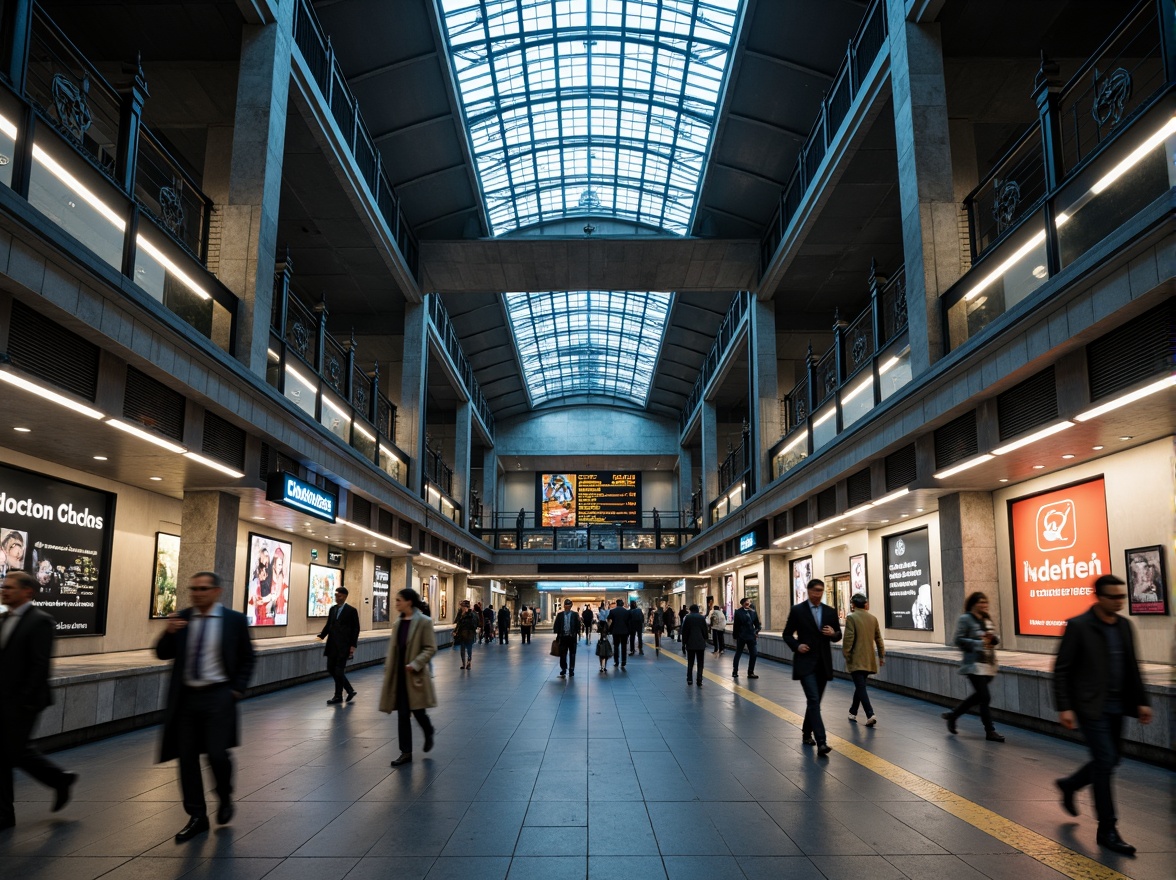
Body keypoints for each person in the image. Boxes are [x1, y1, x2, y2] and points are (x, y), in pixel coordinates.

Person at [1054, 574, 1152, 856]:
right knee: (1106, 761)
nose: (1120, 601)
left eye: (1122, 596)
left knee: (1110, 759)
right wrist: (1065, 707)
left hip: (1118, 705)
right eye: (1114, 597)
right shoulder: (1079, 626)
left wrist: (1142, 702)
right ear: (1098, 596)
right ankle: (1107, 828)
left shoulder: (1124, 626)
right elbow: (1062, 670)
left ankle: (1070, 784)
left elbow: (1132, 666)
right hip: (1090, 706)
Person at [155, 571, 255, 842]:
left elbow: (248, 657)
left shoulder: (234, 621)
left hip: (219, 695)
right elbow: (162, 652)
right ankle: (197, 815)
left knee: (216, 754)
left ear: (216, 592)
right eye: (194, 588)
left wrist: (236, 689)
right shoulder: (183, 619)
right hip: (187, 699)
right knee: (186, 758)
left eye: (203, 589)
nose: (197, 593)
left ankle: (224, 796)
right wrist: (168, 632)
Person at [0, 571, 77, 831]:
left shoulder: (40, 621)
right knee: (13, 752)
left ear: (27, 592)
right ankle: (59, 779)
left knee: (9, 752)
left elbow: (39, 665)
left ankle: (6, 814)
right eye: (3, 586)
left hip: (25, 702)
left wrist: (23, 701)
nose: (4, 590)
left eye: (10, 587)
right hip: (3, 699)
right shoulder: (3, 619)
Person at [782, 578, 842, 757]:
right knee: (814, 700)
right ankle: (822, 742)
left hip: (823, 663)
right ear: (808, 591)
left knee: (814, 702)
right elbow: (787, 634)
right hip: (805, 662)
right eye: (815, 590)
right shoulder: (797, 610)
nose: (818, 594)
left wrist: (834, 634)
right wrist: (797, 646)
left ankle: (806, 732)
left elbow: (837, 634)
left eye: (821, 591)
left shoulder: (830, 612)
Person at [380, 588, 437, 767]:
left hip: (415, 675)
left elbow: (430, 647)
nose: (396, 603)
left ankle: (428, 731)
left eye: (399, 600)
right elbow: (394, 649)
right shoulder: (398, 623)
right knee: (403, 714)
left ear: (409, 602)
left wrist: (416, 664)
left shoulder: (424, 622)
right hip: (399, 675)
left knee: (418, 711)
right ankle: (405, 752)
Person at [941, 592, 1005, 742]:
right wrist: (977, 643)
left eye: (986, 602)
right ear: (973, 603)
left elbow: (994, 637)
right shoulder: (966, 619)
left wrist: (994, 639)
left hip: (988, 664)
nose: (984, 605)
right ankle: (990, 731)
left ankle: (953, 715)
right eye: (981, 602)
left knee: (978, 697)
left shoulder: (986, 619)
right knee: (985, 697)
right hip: (974, 665)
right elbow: (958, 639)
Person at [842, 593, 884, 724]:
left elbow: (849, 638)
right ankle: (852, 712)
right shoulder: (873, 618)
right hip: (869, 659)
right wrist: (881, 655)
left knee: (861, 687)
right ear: (865, 604)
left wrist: (846, 653)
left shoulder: (851, 618)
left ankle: (870, 714)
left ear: (853, 605)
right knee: (860, 686)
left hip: (856, 659)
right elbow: (878, 639)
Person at [317, 586, 359, 704]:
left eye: (339, 596)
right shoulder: (333, 609)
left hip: (343, 645)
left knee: (339, 670)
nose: (337, 598)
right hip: (332, 644)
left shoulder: (351, 611)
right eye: (336, 595)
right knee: (331, 668)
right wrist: (321, 635)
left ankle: (339, 695)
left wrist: (353, 645)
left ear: (345, 596)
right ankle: (347, 691)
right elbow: (329, 625)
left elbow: (356, 629)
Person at [731, 597, 761, 679]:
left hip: (751, 636)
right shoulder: (738, 612)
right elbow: (736, 625)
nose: (748, 604)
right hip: (741, 636)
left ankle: (751, 672)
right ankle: (735, 671)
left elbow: (757, 625)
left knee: (754, 653)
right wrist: (735, 636)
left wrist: (756, 632)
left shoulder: (753, 612)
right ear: (743, 604)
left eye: (749, 603)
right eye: (746, 603)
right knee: (738, 653)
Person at [679, 604, 708, 686]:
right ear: (697, 610)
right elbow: (705, 631)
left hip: (690, 643)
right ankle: (699, 679)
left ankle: (689, 679)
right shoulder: (702, 618)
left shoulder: (687, 618)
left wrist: (683, 644)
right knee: (700, 662)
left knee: (690, 662)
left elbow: (684, 632)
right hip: (700, 643)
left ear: (690, 610)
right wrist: (705, 639)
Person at [553, 598, 581, 677]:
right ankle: (563, 668)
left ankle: (571, 669)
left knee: (572, 654)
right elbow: (557, 625)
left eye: (568, 605)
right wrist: (558, 635)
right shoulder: (560, 615)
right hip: (563, 637)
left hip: (572, 637)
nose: (567, 607)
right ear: (564, 606)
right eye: (566, 605)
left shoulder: (575, 614)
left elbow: (578, 625)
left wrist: (577, 632)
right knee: (563, 654)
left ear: (571, 606)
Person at [454, 600, 480, 669]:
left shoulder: (472, 614)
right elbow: (458, 623)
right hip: (462, 634)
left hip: (469, 634)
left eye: (462, 606)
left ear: (466, 606)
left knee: (469, 648)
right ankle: (463, 664)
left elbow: (475, 623)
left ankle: (469, 663)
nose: (461, 608)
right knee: (462, 649)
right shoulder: (461, 613)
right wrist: (455, 631)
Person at [607, 598, 630, 668]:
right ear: (622, 604)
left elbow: (608, 619)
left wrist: (610, 627)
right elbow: (629, 622)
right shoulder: (626, 612)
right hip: (624, 631)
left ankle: (616, 661)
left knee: (616, 646)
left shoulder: (612, 611)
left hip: (615, 631)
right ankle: (623, 661)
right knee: (624, 646)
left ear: (616, 604)